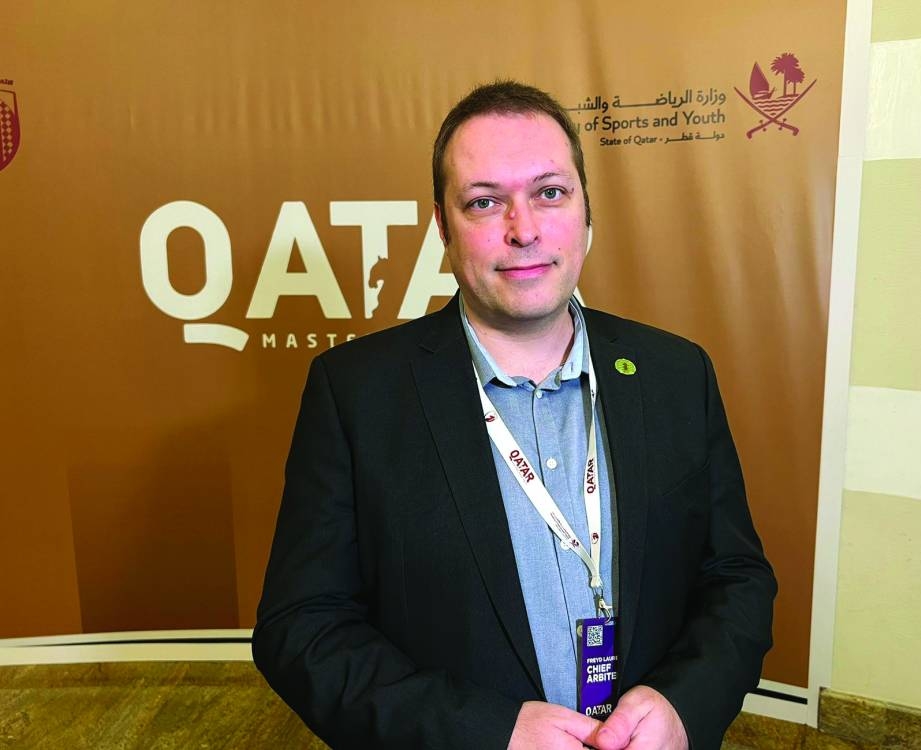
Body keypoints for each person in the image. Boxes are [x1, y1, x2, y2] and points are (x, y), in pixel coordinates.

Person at [253, 80, 776, 750]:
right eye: (484, 202)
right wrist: (486, 732)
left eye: (550, 193)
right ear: (442, 226)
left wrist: (684, 707)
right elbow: (301, 628)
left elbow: (737, 579)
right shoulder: (355, 394)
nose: (524, 229)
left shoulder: (676, 374)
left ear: (586, 211)